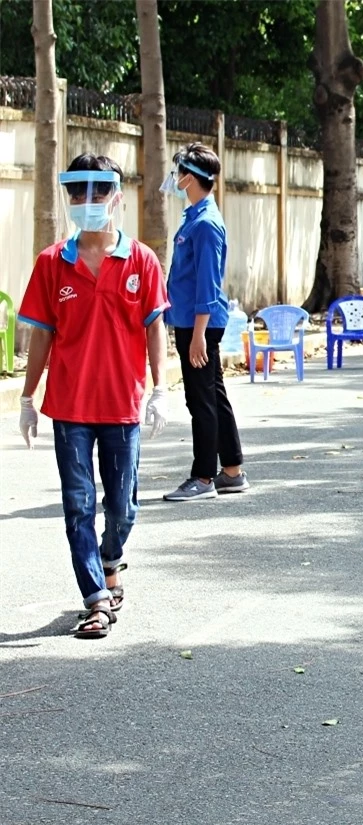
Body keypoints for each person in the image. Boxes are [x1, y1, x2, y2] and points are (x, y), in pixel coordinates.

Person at [17, 153, 170, 638]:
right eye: (77, 192)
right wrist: (26, 396)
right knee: (79, 504)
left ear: (116, 197)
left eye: (98, 191)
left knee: (122, 505)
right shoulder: (51, 264)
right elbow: (40, 333)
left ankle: (112, 558)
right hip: (70, 406)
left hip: (122, 403)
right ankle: (96, 599)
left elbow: (154, 327)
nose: (87, 202)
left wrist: (161, 388)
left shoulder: (141, 260)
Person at [161, 143, 247, 501]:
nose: (174, 175)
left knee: (201, 401)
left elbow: (207, 284)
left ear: (190, 178)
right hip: (192, 320)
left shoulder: (207, 224)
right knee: (214, 395)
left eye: (179, 169)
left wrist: (197, 335)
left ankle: (203, 477)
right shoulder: (194, 215)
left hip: (200, 323)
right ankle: (232, 470)